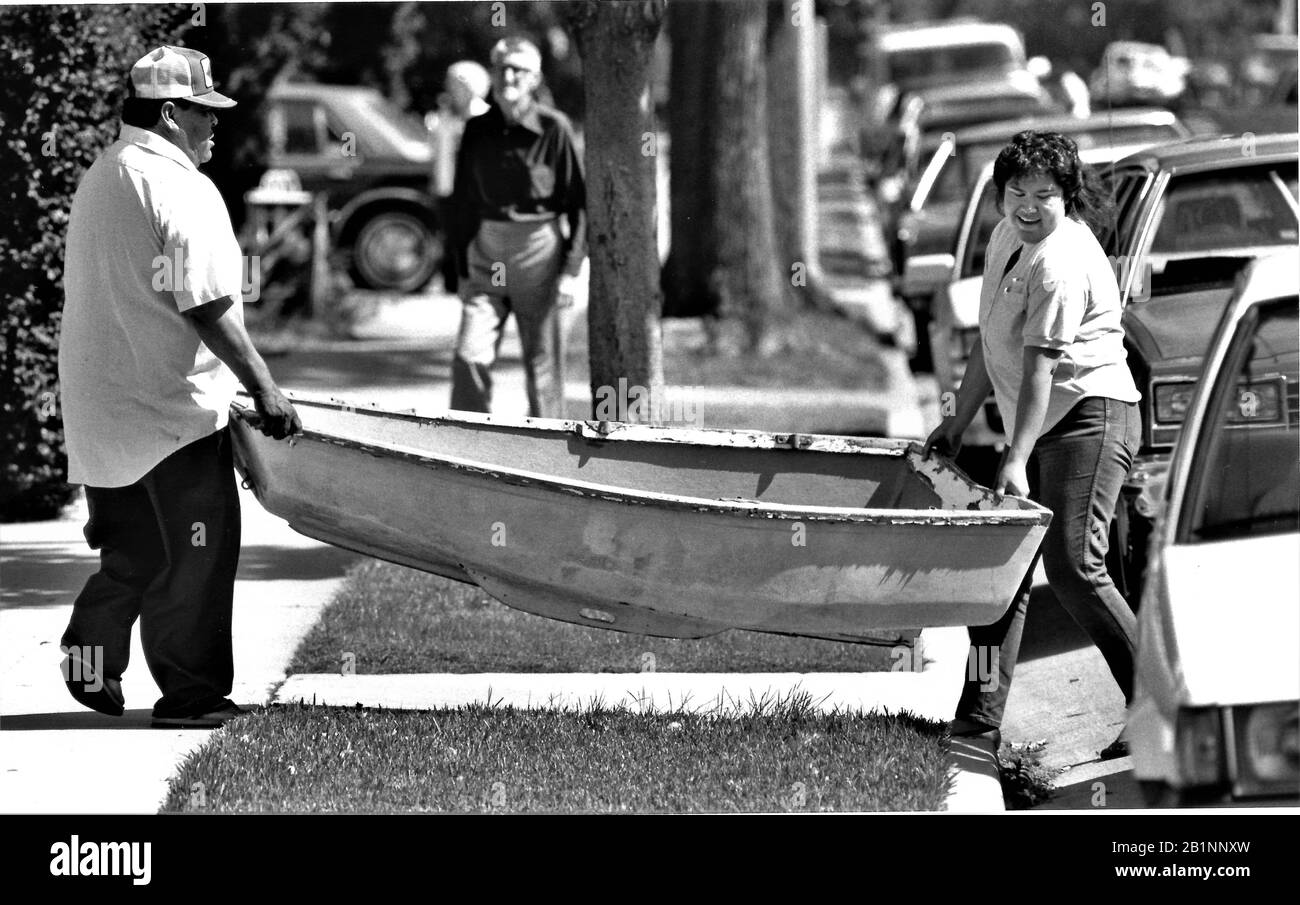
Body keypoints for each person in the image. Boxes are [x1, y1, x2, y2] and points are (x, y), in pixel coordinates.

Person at [57, 46, 300, 729]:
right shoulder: (180, 187)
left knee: (134, 550)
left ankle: (90, 653)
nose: (215, 126)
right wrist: (265, 386)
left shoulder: (101, 175)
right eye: (204, 112)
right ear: (170, 115)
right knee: (197, 553)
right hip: (172, 410)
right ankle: (191, 697)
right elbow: (207, 303)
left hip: (102, 406)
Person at [923, 130, 1141, 758]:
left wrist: (1014, 461)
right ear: (999, 195)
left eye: (1044, 195)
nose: (1028, 204)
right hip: (1042, 423)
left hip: (1090, 418)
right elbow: (994, 348)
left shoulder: (1060, 259)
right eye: (1016, 191)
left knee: (1073, 565)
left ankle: (1158, 704)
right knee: (1003, 567)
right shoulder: (1004, 240)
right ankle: (980, 719)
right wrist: (958, 421)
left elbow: (1042, 364)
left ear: (1067, 199)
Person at [447, 36, 586, 418]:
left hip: (538, 255)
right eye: (502, 68)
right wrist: (460, 268)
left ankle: (547, 460)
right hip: (487, 254)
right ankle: (465, 448)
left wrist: (571, 272)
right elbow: (461, 204)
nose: (509, 76)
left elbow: (578, 205)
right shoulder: (477, 130)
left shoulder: (555, 129)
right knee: (469, 356)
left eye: (518, 69)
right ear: (492, 74)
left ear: (535, 77)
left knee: (542, 369)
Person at [427, 59, 491, 294]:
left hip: (478, 194)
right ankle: (455, 285)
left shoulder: (486, 117)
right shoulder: (443, 118)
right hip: (449, 190)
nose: (449, 90)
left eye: (454, 85)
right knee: (453, 241)